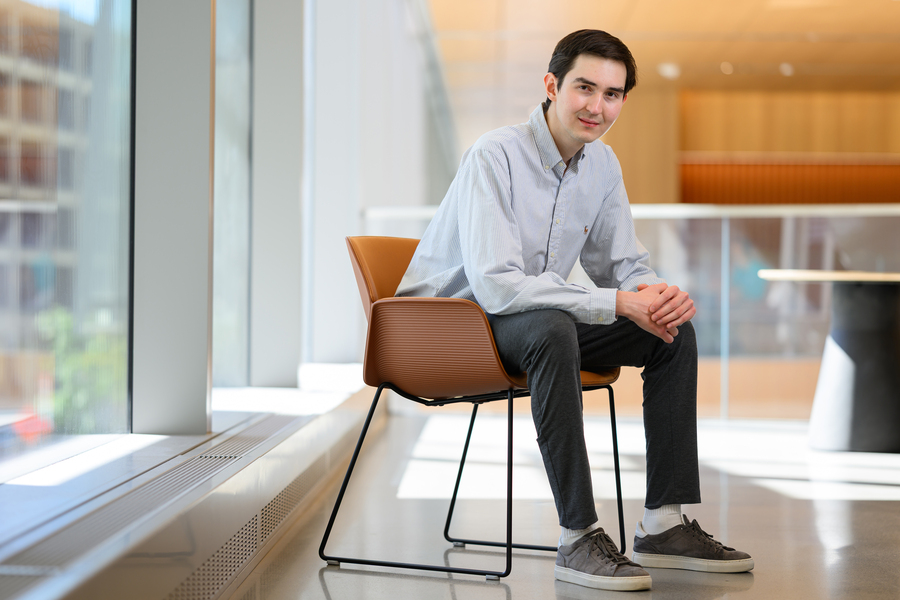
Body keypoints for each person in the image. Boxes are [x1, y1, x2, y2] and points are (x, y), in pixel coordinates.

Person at [396, 29, 753, 592]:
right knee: (551, 328)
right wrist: (616, 302)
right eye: (585, 88)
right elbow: (497, 287)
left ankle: (663, 522)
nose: (597, 106)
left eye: (612, 94)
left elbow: (623, 264)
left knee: (670, 334)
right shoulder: (496, 154)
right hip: (448, 329)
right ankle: (578, 535)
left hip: (530, 322)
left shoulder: (602, 166)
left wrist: (656, 298)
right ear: (551, 85)